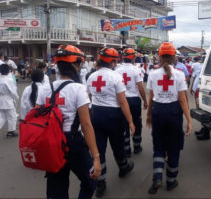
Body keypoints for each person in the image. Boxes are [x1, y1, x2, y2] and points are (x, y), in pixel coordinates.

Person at [36, 45, 101, 199]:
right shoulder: (78, 89)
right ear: (75, 65)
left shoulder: (45, 88)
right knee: (90, 181)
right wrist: (96, 157)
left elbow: (38, 117)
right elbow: (86, 125)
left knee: (56, 188)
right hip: (73, 143)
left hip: (51, 143)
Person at [87, 48, 135, 198]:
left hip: (96, 114)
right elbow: (122, 101)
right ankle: (123, 167)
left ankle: (100, 183)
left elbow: (88, 98)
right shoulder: (116, 77)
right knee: (118, 145)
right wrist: (131, 121)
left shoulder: (91, 77)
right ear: (113, 62)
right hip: (114, 116)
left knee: (99, 149)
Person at [146, 42, 192, 194]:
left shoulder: (152, 74)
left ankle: (158, 177)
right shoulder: (179, 74)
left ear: (159, 57)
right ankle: (171, 181)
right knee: (173, 147)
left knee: (158, 147)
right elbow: (182, 100)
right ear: (173, 57)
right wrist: (189, 120)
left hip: (158, 111)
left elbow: (151, 97)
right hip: (173, 112)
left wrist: (148, 115)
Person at [116, 48, 147, 157]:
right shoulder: (136, 70)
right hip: (134, 101)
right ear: (133, 57)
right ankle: (137, 146)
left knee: (124, 125)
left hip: (121, 101)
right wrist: (145, 101)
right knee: (137, 124)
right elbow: (140, 88)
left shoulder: (117, 70)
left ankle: (127, 149)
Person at [0, 64, 19, 137]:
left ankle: (10, 131)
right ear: (8, 71)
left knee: (2, 116)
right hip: (8, 99)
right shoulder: (9, 80)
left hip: (1, 98)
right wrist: (16, 97)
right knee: (12, 116)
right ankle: (11, 131)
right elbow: (13, 91)